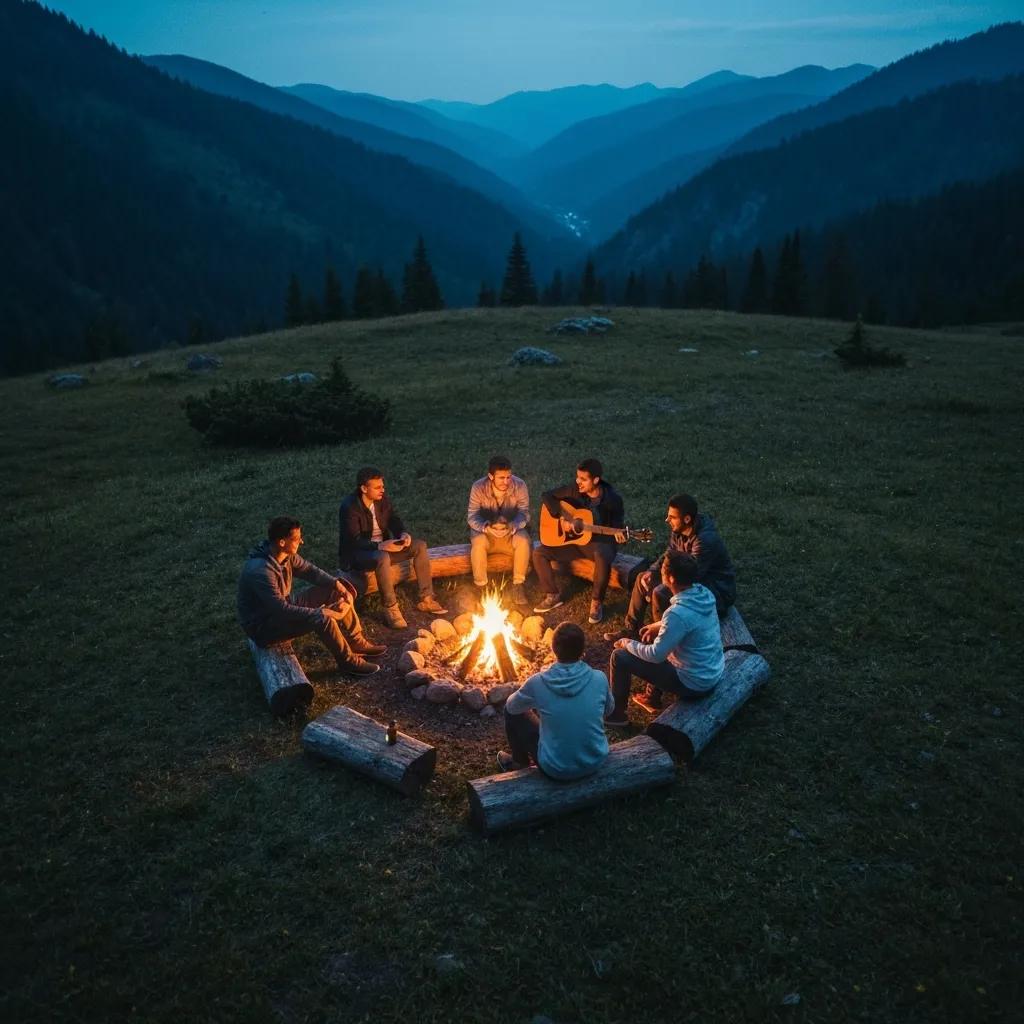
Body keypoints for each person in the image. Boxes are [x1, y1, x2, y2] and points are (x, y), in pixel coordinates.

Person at [238, 516, 387, 678]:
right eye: (297, 539)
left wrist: (337, 585)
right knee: (322, 619)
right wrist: (322, 612)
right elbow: (282, 610)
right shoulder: (261, 572)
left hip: (281, 607)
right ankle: (348, 662)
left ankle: (356, 641)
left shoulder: (284, 556)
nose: (301, 542)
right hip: (264, 627)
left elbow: (310, 571)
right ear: (281, 542)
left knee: (333, 591)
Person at [605, 551, 724, 725]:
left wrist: (627, 643)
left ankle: (616, 715)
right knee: (657, 639)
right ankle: (651, 697)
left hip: (694, 683)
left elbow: (656, 655)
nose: (660, 572)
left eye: (663, 570)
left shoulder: (676, 614)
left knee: (619, 657)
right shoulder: (704, 594)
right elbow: (688, 621)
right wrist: (657, 626)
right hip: (712, 671)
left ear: (671, 579)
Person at [605, 492, 735, 644]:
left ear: (687, 519)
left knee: (659, 592)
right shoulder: (679, 530)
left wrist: (662, 582)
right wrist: (652, 571)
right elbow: (669, 554)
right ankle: (632, 629)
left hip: (714, 591)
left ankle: (663, 639)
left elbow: (691, 577)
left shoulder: (704, 540)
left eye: (672, 517)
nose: (667, 520)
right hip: (687, 576)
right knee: (642, 578)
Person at [497, 622, 615, 777]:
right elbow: (609, 710)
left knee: (510, 711)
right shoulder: (599, 678)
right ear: (582, 650)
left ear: (553, 648)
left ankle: (520, 762)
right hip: (595, 761)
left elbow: (512, 706)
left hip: (556, 769)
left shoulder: (538, 682)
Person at [337, 467, 448, 629]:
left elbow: (393, 519)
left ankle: (427, 598)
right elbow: (354, 541)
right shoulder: (350, 507)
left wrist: (402, 534)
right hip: (359, 555)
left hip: (383, 548)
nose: (382, 490)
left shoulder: (382, 500)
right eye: (377, 487)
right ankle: (391, 608)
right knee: (382, 557)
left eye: (382, 486)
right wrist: (380, 545)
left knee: (420, 546)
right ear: (364, 488)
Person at [532, 457, 626, 623]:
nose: (578, 482)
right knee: (539, 553)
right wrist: (564, 517)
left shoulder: (613, 500)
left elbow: (617, 527)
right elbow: (547, 495)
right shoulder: (574, 490)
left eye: (583, 479)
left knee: (602, 554)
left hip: (598, 543)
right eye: (577, 477)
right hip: (574, 542)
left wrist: (620, 535)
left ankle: (596, 602)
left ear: (595, 480)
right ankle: (552, 594)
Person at [467, 455, 531, 607]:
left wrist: (513, 525)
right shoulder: (478, 487)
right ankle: (481, 587)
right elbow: (472, 516)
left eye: (508, 477)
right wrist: (486, 527)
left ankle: (518, 585)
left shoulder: (520, 485)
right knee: (478, 543)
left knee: (523, 541)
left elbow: (524, 513)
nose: (506, 482)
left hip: (510, 533)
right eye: (501, 478)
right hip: (486, 533)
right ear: (491, 476)